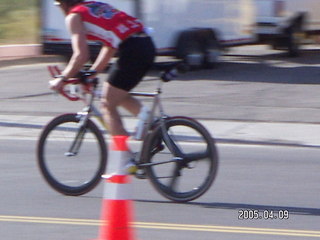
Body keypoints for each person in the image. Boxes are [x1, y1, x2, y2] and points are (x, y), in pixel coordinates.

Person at [49, 0, 156, 141]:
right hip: (145, 44)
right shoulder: (94, 5)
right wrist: (93, 73)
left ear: (63, 4)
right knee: (115, 93)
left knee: (106, 103)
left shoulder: (74, 16)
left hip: (132, 49)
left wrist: (62, 79)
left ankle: (123, 157)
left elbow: (81, 55)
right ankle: (149, 121)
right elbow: (109, 46)